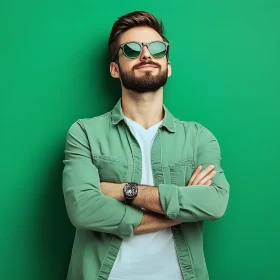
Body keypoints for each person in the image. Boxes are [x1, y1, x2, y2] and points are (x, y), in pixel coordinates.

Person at [62, 11, 230, 280]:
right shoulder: (85, 133)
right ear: (115, 68)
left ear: (168, 65)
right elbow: (83, 209)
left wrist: (124, 191)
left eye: (156, 48)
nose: (146, 55)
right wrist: (181, 211)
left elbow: (215, 202)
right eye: (131, 50)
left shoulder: (198, 137)